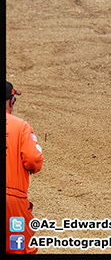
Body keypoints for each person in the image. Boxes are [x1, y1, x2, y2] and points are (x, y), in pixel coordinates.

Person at [6, 81, 44, 254]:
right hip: (12, 200)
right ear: (10, 101)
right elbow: (32, 160)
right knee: (18, 250)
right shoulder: (20, 126)